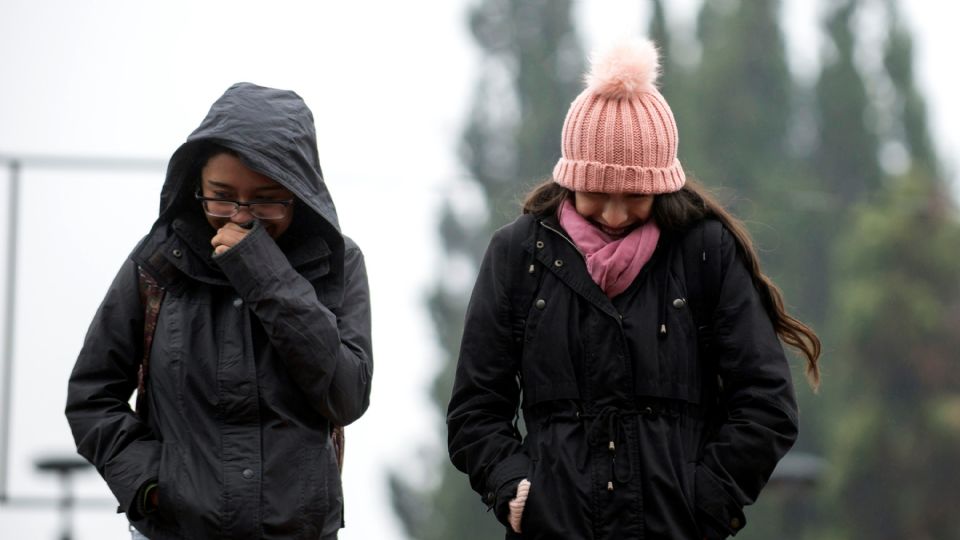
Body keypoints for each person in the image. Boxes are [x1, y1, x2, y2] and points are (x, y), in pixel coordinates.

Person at [446, 40, 821, 540]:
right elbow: (475, 410)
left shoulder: (704, 251)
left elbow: (767, 403)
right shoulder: (517, 256)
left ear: (663, 185)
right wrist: (514, 489)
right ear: (570, 179)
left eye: (636, 196)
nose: (616, 214)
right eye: (597, 194)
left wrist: (709, 502)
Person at [65, 82, 373, 540]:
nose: (239, 216)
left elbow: (346, 395)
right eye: (221, 195)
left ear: (299, 189)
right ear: (196, 185)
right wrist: (151, 485)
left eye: (267, 198)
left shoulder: (337, 263)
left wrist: (264, 273)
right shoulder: (157, 262)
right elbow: (91, 397)